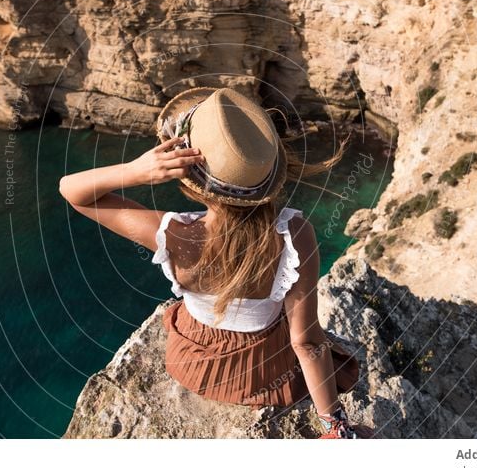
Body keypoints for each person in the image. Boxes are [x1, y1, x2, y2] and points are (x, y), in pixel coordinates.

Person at [59, 86, 368, 439]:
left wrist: (136, 171)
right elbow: (306, 342)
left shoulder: (174, 234)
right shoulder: (295, 234)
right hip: (263, 373)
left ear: (190, 180)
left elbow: (73, 190)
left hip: (193, 362)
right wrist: (334, 425)